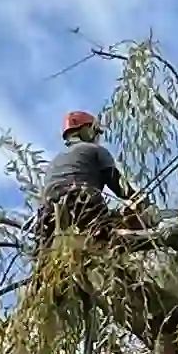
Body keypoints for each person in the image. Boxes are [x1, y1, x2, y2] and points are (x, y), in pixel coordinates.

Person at [32, 107, 131, 251]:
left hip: (49, 217)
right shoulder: (95, 150)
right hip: (83, 204)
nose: (97, 137)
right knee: (111, 241)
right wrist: (139, 200)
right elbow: (116, 182)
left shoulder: (54, 162)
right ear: (86, 131)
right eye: (95, 132)